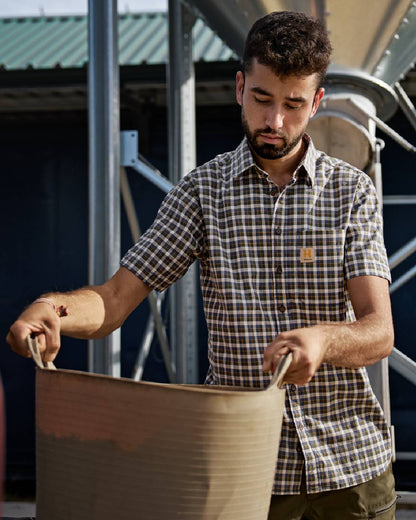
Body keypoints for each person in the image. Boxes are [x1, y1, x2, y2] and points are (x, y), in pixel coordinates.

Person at [7, 10, 395, 520]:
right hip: (245, 469)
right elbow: (115, 299)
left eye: (293, 104)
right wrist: (52, 310)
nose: (274, 122)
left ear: (317, 102)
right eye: (262, 98)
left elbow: (378, 331)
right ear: (239, 87)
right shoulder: (201, 193)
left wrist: (322, 340)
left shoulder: (351, 191)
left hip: (352, 468)